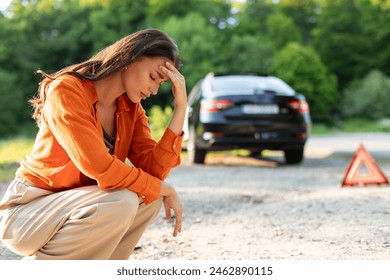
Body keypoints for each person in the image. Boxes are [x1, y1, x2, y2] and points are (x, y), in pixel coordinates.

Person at [0, 29, 186, 260]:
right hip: (28, 213)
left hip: (75, 208)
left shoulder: (130, 108)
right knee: (125, 198)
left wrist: (180, 109)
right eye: (152, 77)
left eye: (161, 83)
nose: (155, 90)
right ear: (131, 57)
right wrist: (164, 188)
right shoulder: (66, 90)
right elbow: (99, 167)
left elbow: (153, 172)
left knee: (148, 198)